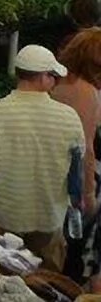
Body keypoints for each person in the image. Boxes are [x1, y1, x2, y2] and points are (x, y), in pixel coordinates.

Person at [0, 45, 88, 272]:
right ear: (42, 77)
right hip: (48, 219)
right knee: (39, 282)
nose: (55, 82)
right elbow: (76, 169)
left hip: (2, 216)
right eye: (52, 76)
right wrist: (78, 201)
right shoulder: (69, 118)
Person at [52, 29, 100, 290]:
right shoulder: (87, 92)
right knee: (77, 247)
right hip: (74, 181)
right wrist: (89, 192)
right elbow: (86, 148)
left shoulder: (59, 81)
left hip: (51, 167)